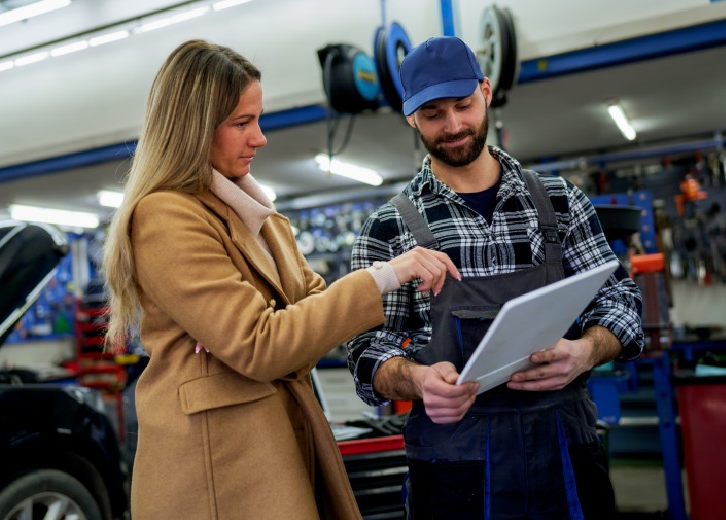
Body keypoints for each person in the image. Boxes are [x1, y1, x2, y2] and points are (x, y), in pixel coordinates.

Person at [101, 39, 461, 520]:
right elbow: (262, 346)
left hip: (274, 441)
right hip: (218, 476)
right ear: (193, 129)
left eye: (258, 118)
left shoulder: (258, 215)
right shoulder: (165, 216)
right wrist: (384, 275)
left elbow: (312, 313)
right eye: (242, 123)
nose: (260, 137)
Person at [346, 36, 645, 519]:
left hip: (564, 450)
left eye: (463, 105)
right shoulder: (389, 227)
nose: (454, 126)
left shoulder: (558, 202)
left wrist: (586, 351)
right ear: (410, 118)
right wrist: (419, 380)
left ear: (486, 91)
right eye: (433, 115)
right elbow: (365, 350)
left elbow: (621, 302)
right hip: (454, 467)